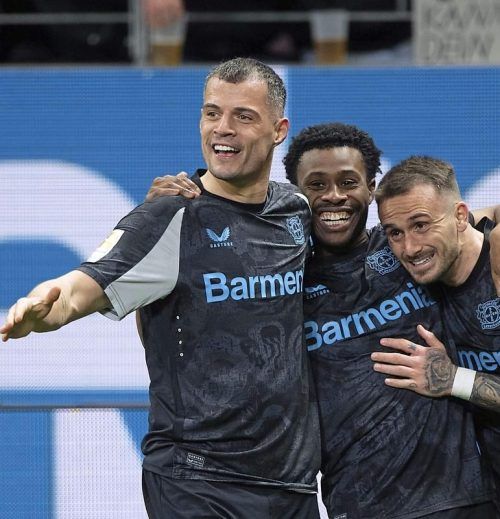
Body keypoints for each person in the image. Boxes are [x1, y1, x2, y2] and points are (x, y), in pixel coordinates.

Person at [0, 58, 321, 519]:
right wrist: (43, 309)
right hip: (198, 481)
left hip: (290, 483)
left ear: (279, 130)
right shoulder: (168, 215)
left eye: (243, 116)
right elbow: (81, 287)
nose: (222, 129)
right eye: (212, 113)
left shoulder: (296, 211)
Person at [148, 123, 499, 517]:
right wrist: (160, 232)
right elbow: (180, 324)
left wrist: (454, 379)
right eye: (316, 185)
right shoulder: (277, 282)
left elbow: (458, 230)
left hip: (459, 500)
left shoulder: (408, 252)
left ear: (371, 189)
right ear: (297, 196)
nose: (334, 196)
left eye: (348, 182)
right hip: (356, 505)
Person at [369, 155, 500, 507]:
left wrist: (452, 379)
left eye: (421, 225)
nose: (410, 248)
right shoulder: (420, 276)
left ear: (460, 216)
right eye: (395, 233)